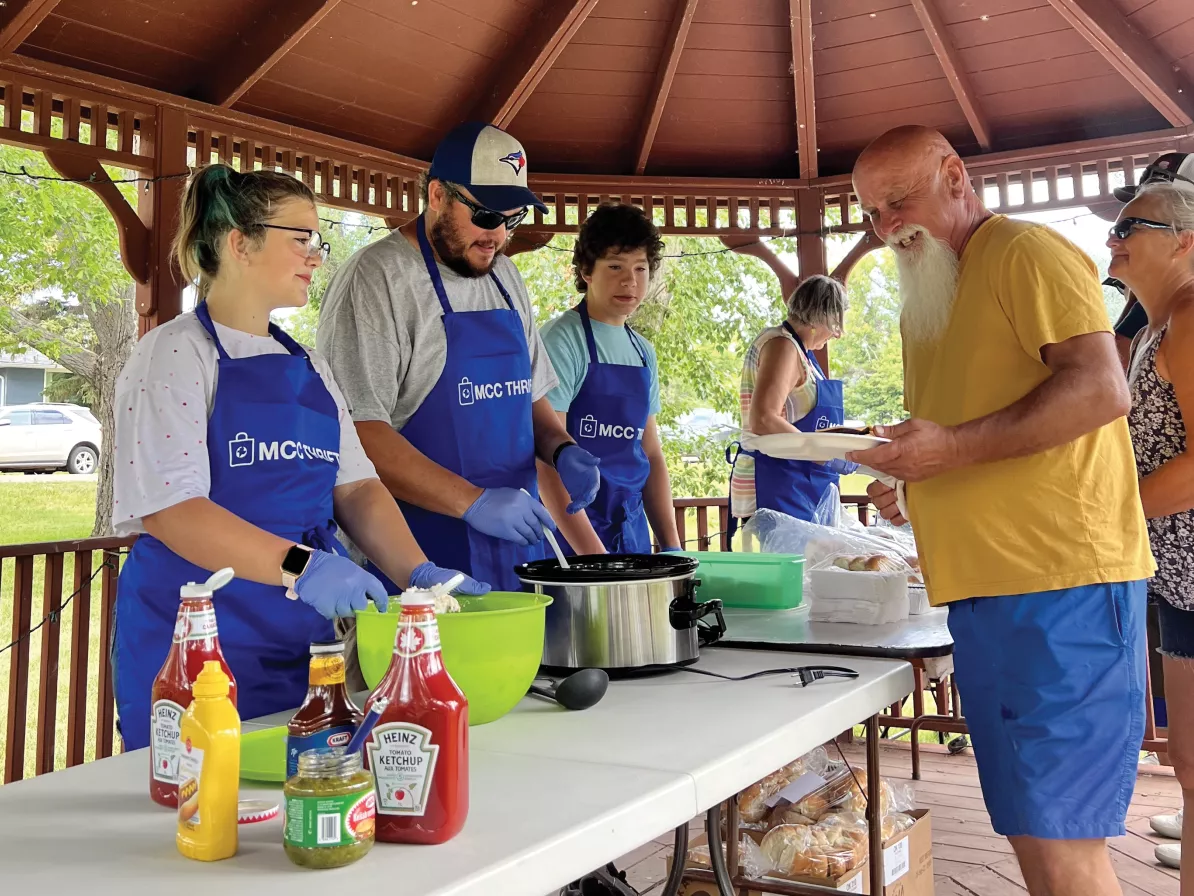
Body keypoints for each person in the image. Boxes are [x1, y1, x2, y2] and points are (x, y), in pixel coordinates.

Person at [847, 125, 1154, 896]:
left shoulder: (1024, 252)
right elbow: (971, 436)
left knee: (1065, 847)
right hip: (989, 597)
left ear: (956, 176)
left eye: (898, 200)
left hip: (1063, 589)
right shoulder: (938, 289)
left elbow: (1100, 390)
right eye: (871, 212)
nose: (887, 226)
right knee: (1031, 833)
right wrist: (914, 478)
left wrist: (945, 451)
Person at [111, 165, 486, 750]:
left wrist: (417, 576)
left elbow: (358, 489)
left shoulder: (313, 367)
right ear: (240, 243)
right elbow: (172, 510)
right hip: (195, 646)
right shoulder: (174, 354)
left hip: (301, 646)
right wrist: (303, 567)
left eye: (318, 241)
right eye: (300, 238)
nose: (316, 256)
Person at [316, 122, 601, 591]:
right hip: (415, 561)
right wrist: (473, 503)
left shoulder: (505, 278)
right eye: (487, 216)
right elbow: (358, 432)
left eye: (513, 220)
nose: (498, 237)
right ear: (436, 196)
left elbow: (527, 398)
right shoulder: (378, 278)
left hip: (515, 556)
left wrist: (561, 448)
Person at [1109, 182, 1194, 874]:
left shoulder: (1192, 318)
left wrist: (1112, 511)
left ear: (1186, 240)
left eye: (1131, 225)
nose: (1115, 238)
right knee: (1190, 766)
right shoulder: (1145, 334)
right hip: (1178, 582)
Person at [537, 203, 681, 554]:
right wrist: (594, 558)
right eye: (615, 266)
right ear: (586, 270)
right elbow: (545, 459)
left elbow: (651, 454)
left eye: (640, 268)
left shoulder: (643, 350)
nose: (629, 280)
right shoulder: (561, 339)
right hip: (571, 534)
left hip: (629, 530)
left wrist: (672, 546)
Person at [728, 275, 851, 534]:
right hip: (775, 480)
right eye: (836, 325)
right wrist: (820, 453)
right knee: (795, 573)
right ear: (821, 318)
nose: (837, 335)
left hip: (799, 482)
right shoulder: (782, 345)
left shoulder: (801, 351)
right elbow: (763, 418)